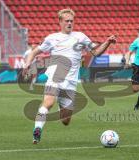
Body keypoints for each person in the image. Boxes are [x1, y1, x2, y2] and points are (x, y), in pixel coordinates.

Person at [23, 8, 116, 144]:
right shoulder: (52, 38)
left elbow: (95, 52)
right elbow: (35, 52)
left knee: (66, 121)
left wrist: (107, 42)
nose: (69, 23)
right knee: (48, 102)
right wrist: (27, 64)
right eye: (67, 21)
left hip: (71, 82)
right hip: (55, 75)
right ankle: (37, 130)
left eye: (71, 21)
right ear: (60, 21)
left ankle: (62, 106)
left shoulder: (80, 37)